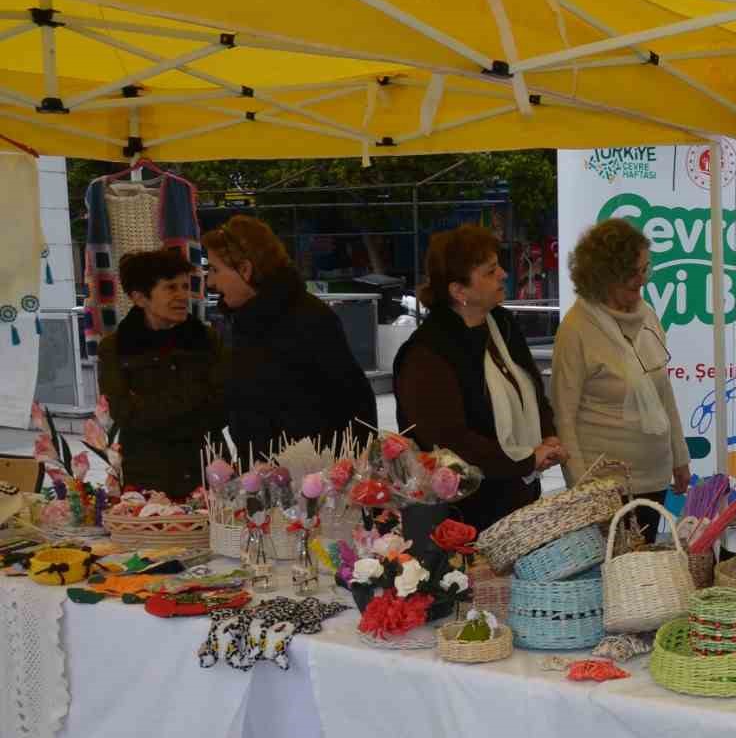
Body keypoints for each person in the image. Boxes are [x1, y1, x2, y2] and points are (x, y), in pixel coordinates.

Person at [393, 225, 567, 530]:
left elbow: (533, 391)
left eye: (498, 266)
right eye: (490, 271)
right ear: (459, 291)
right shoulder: (427, 353)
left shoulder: (502, 323)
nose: (503, 274)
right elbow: (451, 441)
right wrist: (526, 460)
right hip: (464, 517)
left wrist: (548, 435)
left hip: (519, 498)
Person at [551, 218, 689, 543]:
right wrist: (582, 490)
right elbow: (564, 417)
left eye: (645, 269)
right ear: (604, 274)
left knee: (643, 568)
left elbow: (662, 391)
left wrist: (680, 457)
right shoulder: (575, 329)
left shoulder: (647, 315)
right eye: (633, 272)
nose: (642, 279)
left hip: (654, 477)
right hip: (604, 488)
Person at [203, 216, 377, 461]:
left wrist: (341, 474)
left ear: (245, 269)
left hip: (311, 476)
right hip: (263, 474)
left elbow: (355, 402)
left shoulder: (309, 319)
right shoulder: (244, 320)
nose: (210, 281)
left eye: (215, 270)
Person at [95, 248, 226, 497]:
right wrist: (192, 402)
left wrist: (152, 407)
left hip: (208, 471)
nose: (182, 296)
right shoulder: (115, 348)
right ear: (139, 298)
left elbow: (222, 407)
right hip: (146, 476)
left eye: (185, 286)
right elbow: (123, 413)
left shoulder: (206, 339)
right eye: (170, 288)